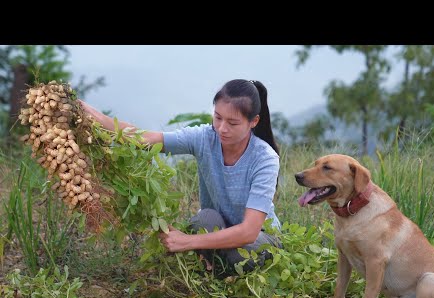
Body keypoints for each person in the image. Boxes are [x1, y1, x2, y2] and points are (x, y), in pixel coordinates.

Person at [78, 79, 282, 274]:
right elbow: (148, 139)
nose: (221, 128)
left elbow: (249, 231)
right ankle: (216, 261)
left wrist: (186, 242)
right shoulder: (204, 137)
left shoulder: (265, 158)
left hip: (258, 236)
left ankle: (214, 262)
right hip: (218, 226)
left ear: (253, 121)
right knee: (204, 219)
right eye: (218, 117)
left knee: (241, 254)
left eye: (232, 123)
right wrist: (96, 117)